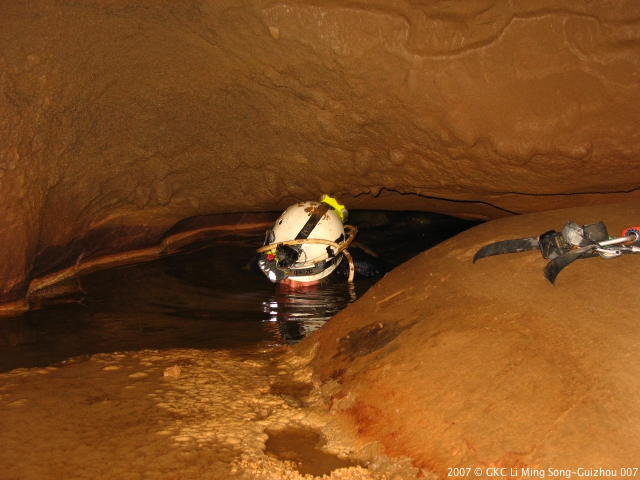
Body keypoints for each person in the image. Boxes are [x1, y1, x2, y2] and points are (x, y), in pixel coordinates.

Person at [255, 195, 386, 286]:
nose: (292, 286)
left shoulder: (366, 269)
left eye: (303, 280)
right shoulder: (263, 264)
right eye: (283, 273)